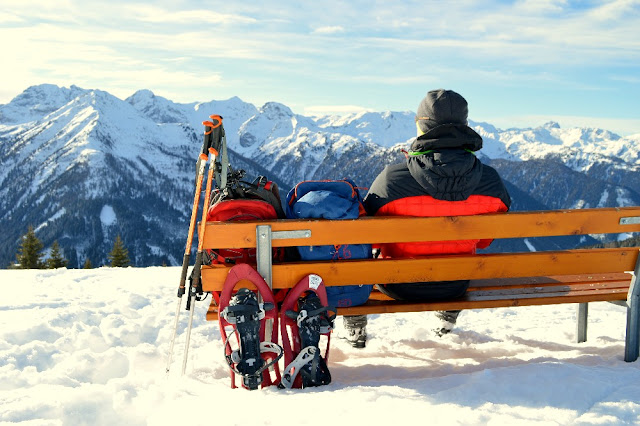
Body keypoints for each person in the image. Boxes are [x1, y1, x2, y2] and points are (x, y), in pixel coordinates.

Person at [343, 89, 511, 347]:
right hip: (456, 284)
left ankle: (355, 326)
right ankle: (447, 313)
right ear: (465, 126)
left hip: (398, 283)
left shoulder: (393, 180)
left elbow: (365, 240)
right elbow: (484, 240)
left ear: (422, 126)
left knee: (357, 255)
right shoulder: (490, 181)